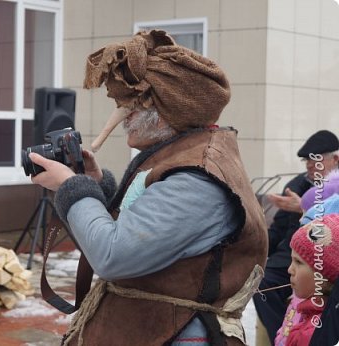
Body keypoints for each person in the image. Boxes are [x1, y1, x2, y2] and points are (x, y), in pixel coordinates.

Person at [29, 30, 268, 345]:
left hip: (174, 336)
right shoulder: (181, 154)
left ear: (167, 108)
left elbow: (113, 255)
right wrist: (96, 187)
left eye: (130, 105)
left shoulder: (195, 180)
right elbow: (139, 227)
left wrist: (73, 188)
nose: (121, 116)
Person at [253, 130, 339, 344]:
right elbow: (277, 230)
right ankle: (283, 336)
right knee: (258, 281)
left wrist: (303, 208)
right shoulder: (296, 184)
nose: (309, 165)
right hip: (288, 255)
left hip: (320, 259)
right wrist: (256, 248)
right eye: (306, 161)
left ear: (335, 159)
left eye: (315, 160)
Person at [273, 214, 339, 345]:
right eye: (291, 260)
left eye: (298, 262)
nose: (289, 270)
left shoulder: (312, 334)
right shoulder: (305, 310)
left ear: (324, 276)